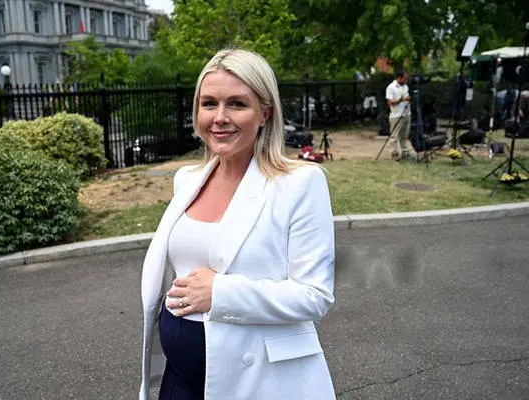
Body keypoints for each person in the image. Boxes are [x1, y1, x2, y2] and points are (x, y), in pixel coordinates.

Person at [139, 49, 336, 400]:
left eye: (237, 104)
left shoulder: (300, 183)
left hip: (259, 383)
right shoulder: (187, 179)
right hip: (179, 380)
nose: (220, 117)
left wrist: (220, 293)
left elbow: (314, 296)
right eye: (209, 103)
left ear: (265, 112)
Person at [385, 70, 412, 161]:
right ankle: (394, 154)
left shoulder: (405, 87)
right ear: (399, 78)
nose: (406, 80)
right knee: (394, 136)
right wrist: (401, 100)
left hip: (406, 113)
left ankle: (405, 153)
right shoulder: (391, 87)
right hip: (396, 115)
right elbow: (390, 102)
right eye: (405, 78)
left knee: (404, 135)